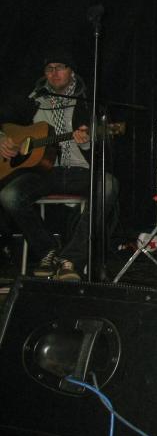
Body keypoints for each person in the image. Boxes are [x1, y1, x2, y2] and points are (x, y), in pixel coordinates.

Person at [0, 49, 119, 281]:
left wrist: (86, 142)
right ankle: (48, 251)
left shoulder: (88, 102)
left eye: (60, 68)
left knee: (109, 184)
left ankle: (71, 259)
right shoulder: (33, 100)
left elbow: (105, 147)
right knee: (9, 196)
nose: (54, 73)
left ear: (71, 72)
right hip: (44, 172)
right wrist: (3, 138)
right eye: (49, 69)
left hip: (79, 171)